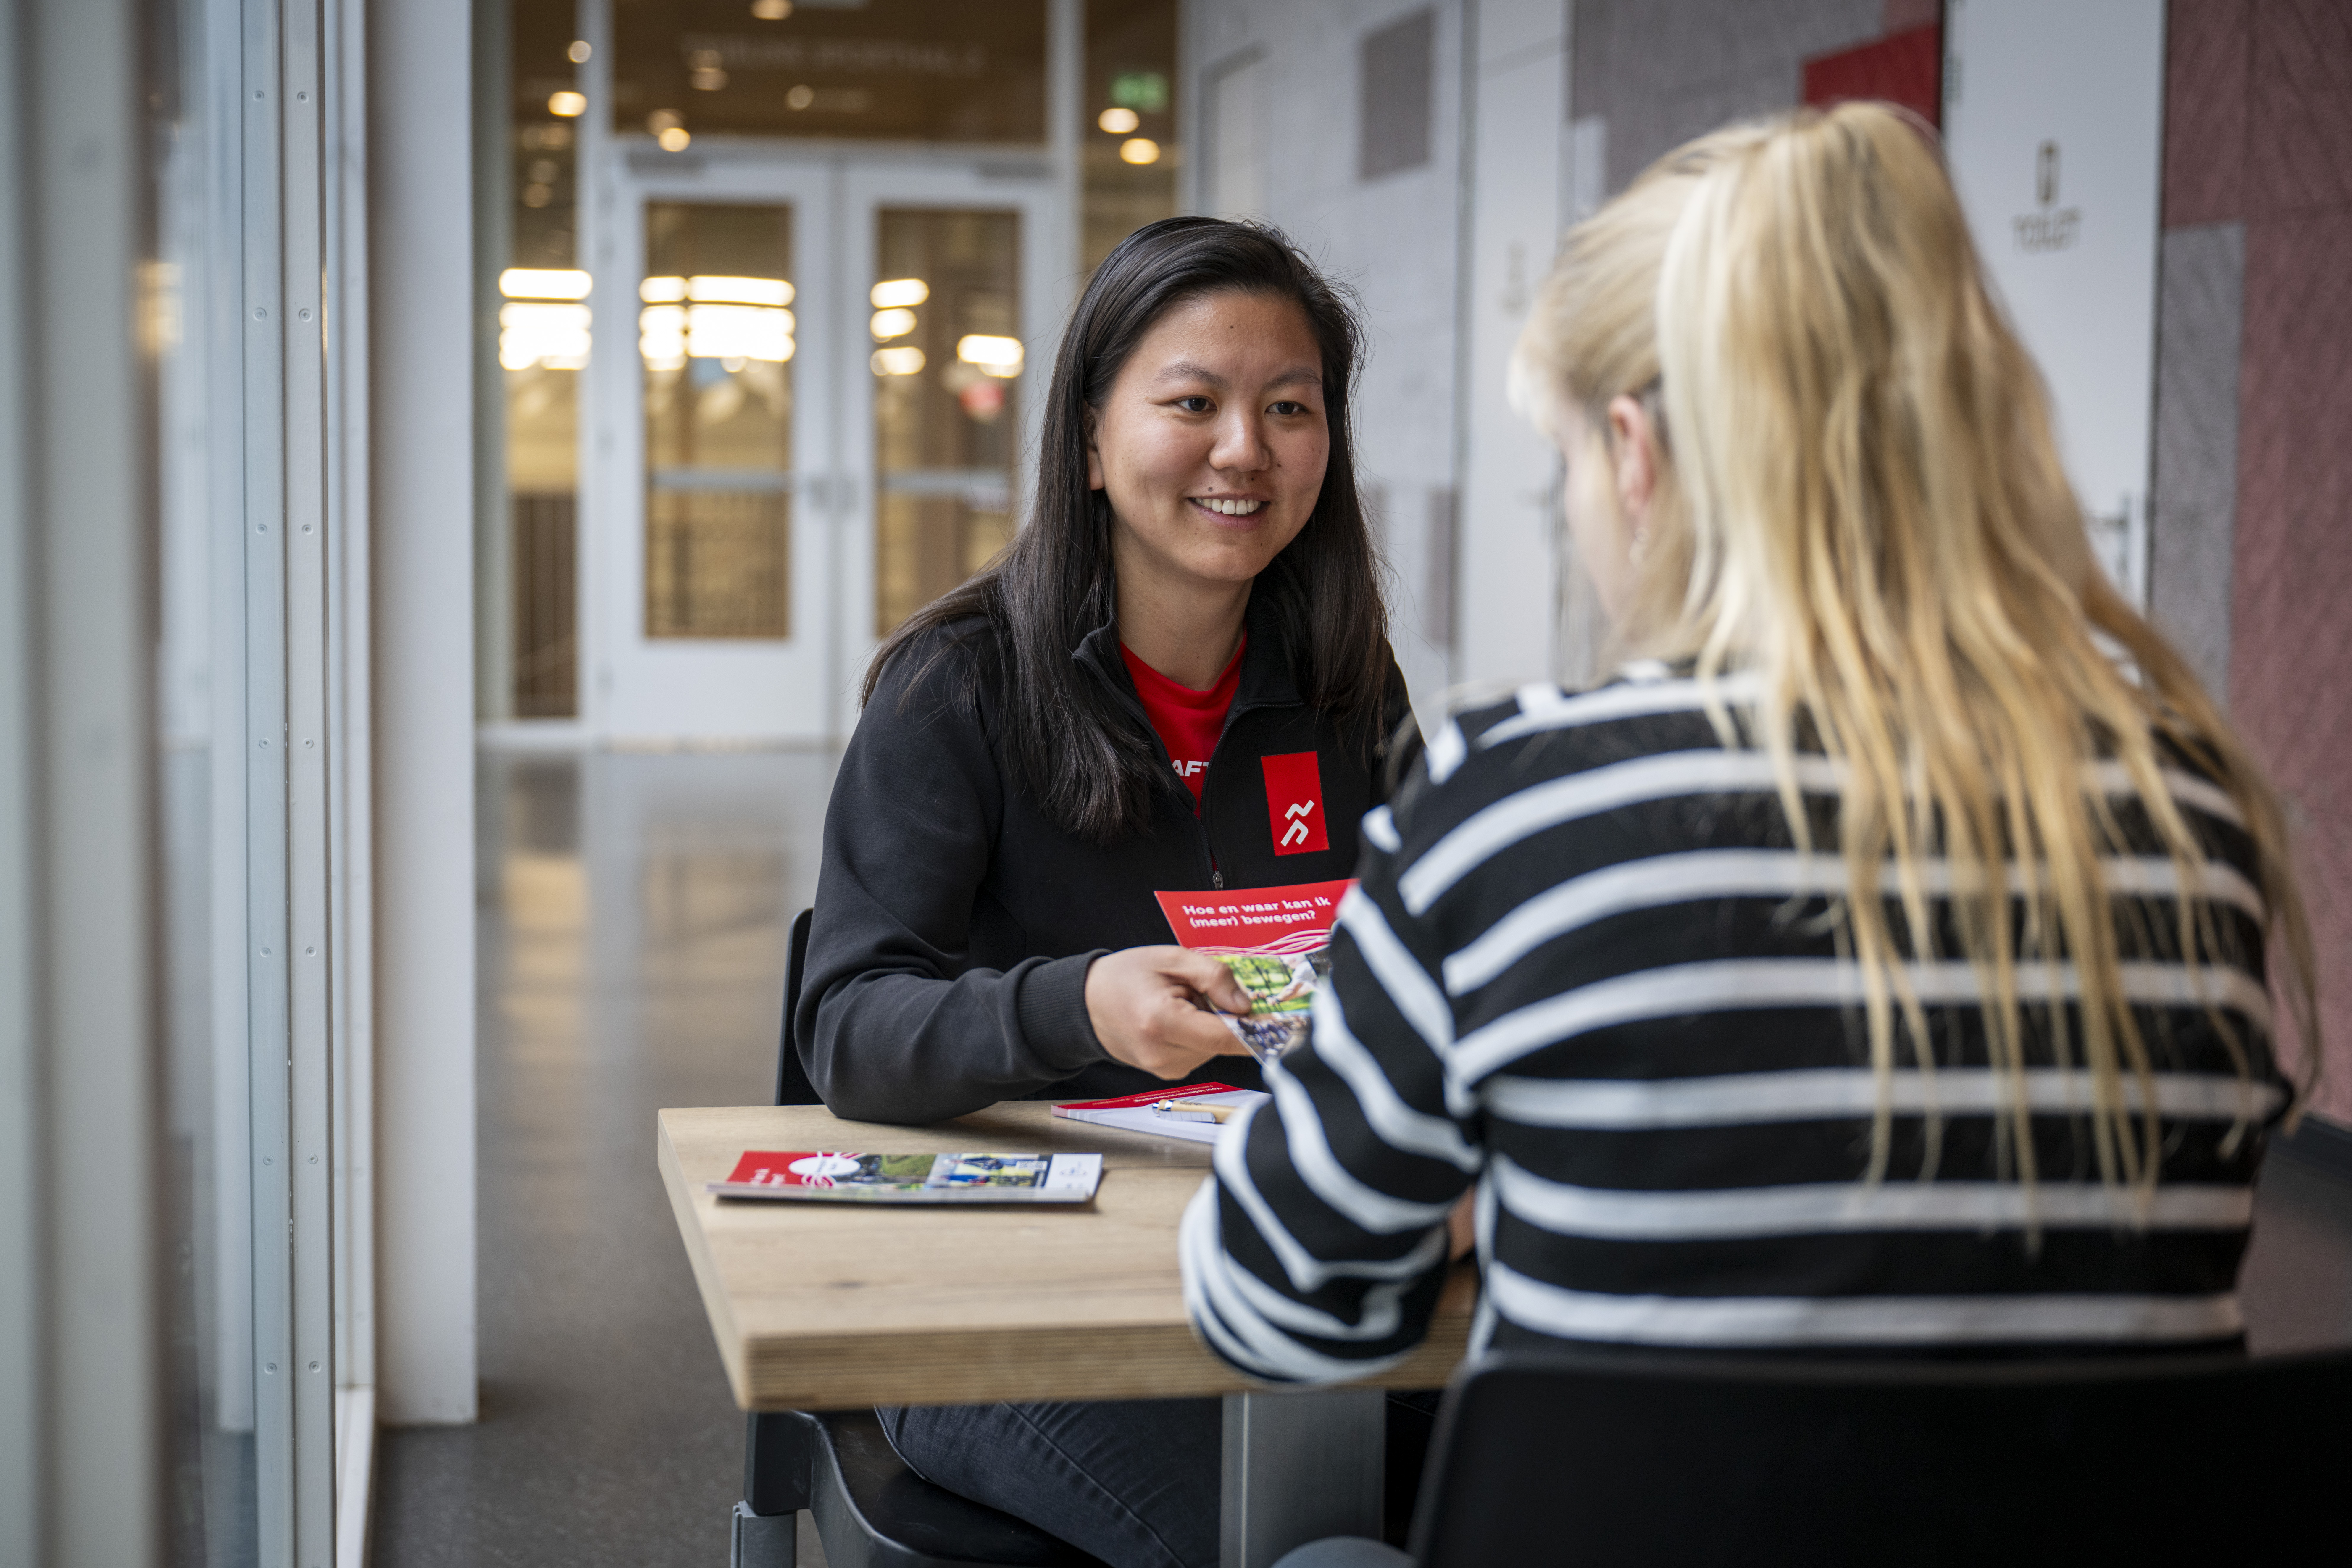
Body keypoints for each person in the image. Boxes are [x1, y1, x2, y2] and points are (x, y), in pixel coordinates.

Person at [1182, 100, 2317, 1498]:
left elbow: (1271, 1305)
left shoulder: (1517, 808)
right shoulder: (2180, 807)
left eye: (1570, 468)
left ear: (1636, 453)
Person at [800, 216, 1418, 1568]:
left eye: (1289, 407)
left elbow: (1424, 976)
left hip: (1288, 1254)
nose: (1244, 448)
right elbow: (849, 1023)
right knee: (1279, 1536)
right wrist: (1080, 1001)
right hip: (1007, 1297)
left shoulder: (1347, 696)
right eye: (1192, 402)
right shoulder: (955, 687)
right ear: (1088, 440)